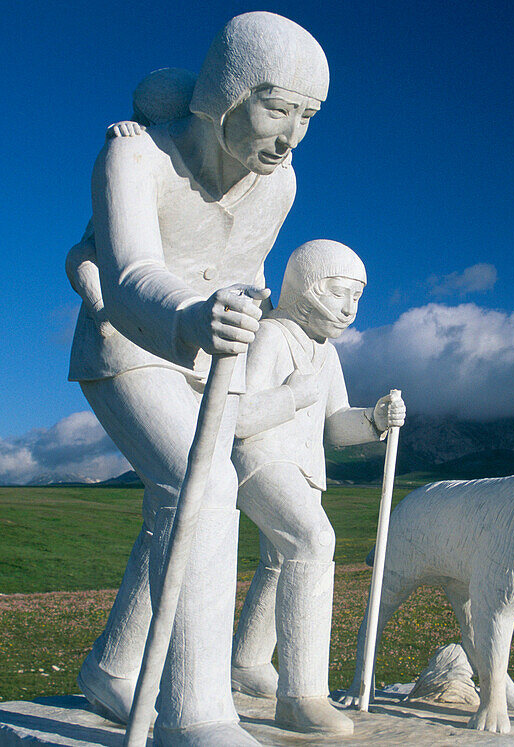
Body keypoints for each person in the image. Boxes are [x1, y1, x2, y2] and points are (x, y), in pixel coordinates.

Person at [68, 13, 328, 747]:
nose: (291, 136)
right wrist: (190, 313)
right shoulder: (133, 161)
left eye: (308, 117)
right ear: (224, 94)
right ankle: (195, 714)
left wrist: (259, 327)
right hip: (129, 343)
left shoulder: (279, 186)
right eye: (278, 108)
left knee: (181, 500)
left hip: (210, 355)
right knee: (203, 486)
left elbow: (248, 272)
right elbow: (126, 277)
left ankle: (115, 670)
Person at [228, 240, 406, 735]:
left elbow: (335, 425)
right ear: (305, 288)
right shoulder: (271, 335)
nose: (350, 308)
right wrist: (293, 395)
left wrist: (373, 420)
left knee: (280, 560)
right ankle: (302, 696)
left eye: (357, 297)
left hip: (304, 468)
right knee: (313, 541)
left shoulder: (326, 354)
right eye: (339, 292)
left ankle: (247, 663)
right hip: (260, 459)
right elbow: (240, 416)